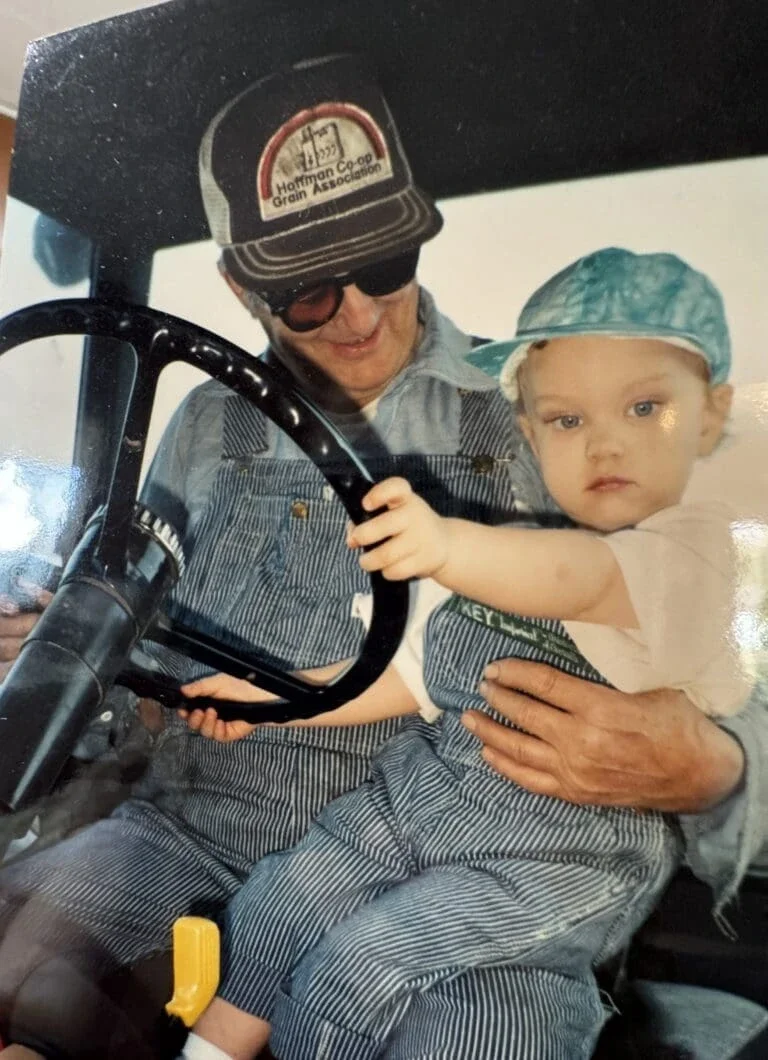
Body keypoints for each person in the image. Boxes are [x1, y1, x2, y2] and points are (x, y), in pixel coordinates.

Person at [0, 55, 762, 1060]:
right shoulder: (196, 422)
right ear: (240, 283)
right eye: (308, 290)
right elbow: (147, 655)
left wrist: (713, 767)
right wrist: (75, 657)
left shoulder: (555, 420)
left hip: (454, 868)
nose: (358, 314)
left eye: (385, 262)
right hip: (183, 837)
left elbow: (710, 647)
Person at [170, 247, 757, 1060]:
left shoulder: (695, 556)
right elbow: (399, 675)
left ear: (713, 415)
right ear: (528, 430)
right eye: (567, 420)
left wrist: (443, 543)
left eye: (645, 408)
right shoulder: (511, 545)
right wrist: (263, 698)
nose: (606, 447)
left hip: (564, 854)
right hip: (428, 799)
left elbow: (580, 581)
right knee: (282, 898)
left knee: (363, 962)